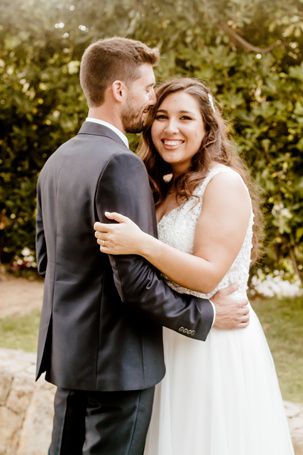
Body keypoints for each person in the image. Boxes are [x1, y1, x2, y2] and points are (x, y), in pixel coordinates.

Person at [35, 39, 249, 455]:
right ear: (119, 90)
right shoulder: (121, 163)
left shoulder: (58, 159)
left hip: (72, 358)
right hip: (119, 365)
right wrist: (203, 313)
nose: (151, 103)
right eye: (149, 90)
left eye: (184, 116)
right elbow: (132, 284)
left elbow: (50, 261)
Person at [94, 78, 294, 454]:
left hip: (213, 346)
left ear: (207, 129)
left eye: (185, 118)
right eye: (162, 117)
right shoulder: (161, 185)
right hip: (166, 338)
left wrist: (142, 243)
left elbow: (207, 274)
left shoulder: (223, 183)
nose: (170, 129)